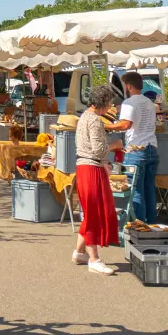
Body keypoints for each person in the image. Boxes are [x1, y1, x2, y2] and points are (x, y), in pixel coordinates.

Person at [73, 85, 123, 275]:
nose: (111, 105)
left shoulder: (85, 116)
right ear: (103, 102)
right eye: (110, 102)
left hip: (87, 166)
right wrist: (115, 145)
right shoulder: (94, 120)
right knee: (94, 213)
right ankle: (94, 259)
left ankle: (79, 252)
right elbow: (99, 150)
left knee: (91, 211)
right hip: (91, 168)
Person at [106, 71, 159, 223]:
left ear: (128, 86)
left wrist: (106, 125)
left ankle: (140, 226)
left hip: (136, 150)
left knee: (136, 190)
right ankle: (151, 225)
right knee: (149, 190)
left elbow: (125, 124)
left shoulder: (129, 103)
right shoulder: (149, 102)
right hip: (151, 148)